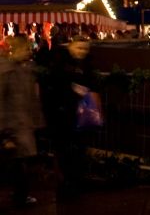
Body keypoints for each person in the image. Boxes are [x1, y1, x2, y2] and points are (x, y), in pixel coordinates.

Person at [43, 35, 99, 199]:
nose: (82, 52)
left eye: (85, 49)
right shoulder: (60, 65)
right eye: (79, 48)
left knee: (77, 150)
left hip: (79, 115)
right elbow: (54, 87)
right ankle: (66, 183)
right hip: (63, 114)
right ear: (71, 47)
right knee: (65, 151)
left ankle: (73, 182)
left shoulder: (86, 66)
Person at [0, 35, 44, 207]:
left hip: (20, 124)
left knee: (19, 163)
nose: (29, 52)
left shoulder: (24, 69)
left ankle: (20, 195)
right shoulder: (7, 70)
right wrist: (4, 134)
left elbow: (31, 99)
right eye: (26, 48)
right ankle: (20, 196)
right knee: (18, 164)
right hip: (12, 126)